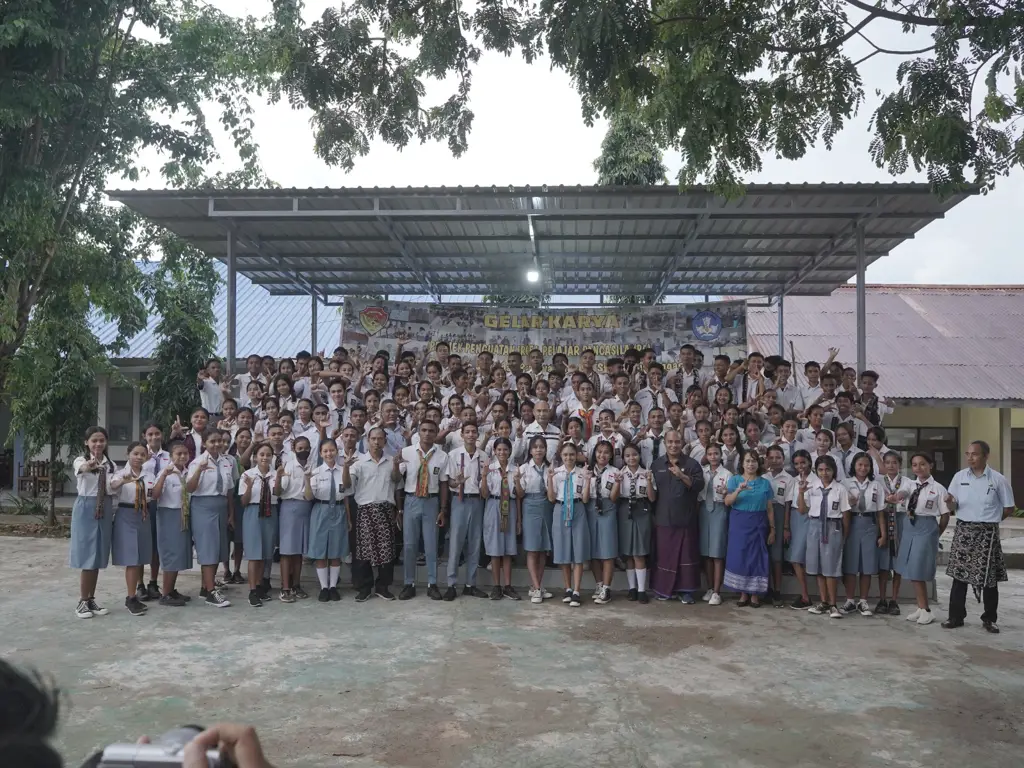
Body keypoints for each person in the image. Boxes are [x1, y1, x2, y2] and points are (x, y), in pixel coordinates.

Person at [942, 440, 1015, 633]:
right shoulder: (959, 477)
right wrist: (949, 502)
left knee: (988, 578)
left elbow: (1009, 507)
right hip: (964, 530)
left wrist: (991, 521)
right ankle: (955, 617)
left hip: (987, 533)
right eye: (968, 454)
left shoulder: (998, 479)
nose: (970, 458)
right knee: (959, 576)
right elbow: (952, 507)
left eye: (974, 454)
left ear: (985, 456)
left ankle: (989, 619)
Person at [345, 427, 401, 602]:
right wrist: (345, 468)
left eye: (380, 439)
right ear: (367, 440)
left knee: (386, 552)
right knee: (363, 553)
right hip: (365, 510)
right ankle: (365, 587)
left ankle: (383, 587)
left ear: (385, 441)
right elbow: (347, 486)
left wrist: (399, 511)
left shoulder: (392, 461)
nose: (376, 442)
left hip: (385, 510)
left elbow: (397, 484)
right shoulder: (358, 462)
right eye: (373, 439)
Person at [649, 430, 705, 603]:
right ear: (665, 443)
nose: (674, 445)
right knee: (665, 556)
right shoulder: (657, 464)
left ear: (682, 443)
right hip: (663, 518)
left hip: (686, 519)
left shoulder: (692, 464)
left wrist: (681, 475)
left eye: (677, 442)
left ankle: (685, 591)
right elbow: (653, 495)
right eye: (670, 442)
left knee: (685, 556)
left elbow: (698, 486)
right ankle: (665, 590)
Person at [397, 421, 449, 600]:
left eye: (431, 431)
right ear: (418, 433)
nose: (427, 434)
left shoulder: (442, 456)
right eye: (424, 430)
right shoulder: (407, 452)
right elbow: (397, 479)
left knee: (431, 545)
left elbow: (443, 484)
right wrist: (396, 465)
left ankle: (432, 583)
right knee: (410, 545)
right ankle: (408, 583)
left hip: (431, 501)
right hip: (411, 499)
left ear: (436, 434)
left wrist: (443, 509)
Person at [897, 453, 951, 626]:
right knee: (910, 568)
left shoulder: (939, 488)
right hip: (910, 524)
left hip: (927, 526)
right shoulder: (909, 484)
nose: (918, 468)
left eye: (922, 464)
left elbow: (945, 514)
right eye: (914, 465)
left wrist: (936, 532)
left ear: (931, 465)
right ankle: (920, 607)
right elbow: (902, 494)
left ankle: (927, 610)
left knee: (919, 568)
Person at [185, 430, 237, 608]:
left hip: (221, 506)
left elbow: (229, 490)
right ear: (205, 443)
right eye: (212, 441)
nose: (217, 444)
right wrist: (199, 470)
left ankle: (205, 586)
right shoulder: (197, 462)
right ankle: (210, 590)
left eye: (219, 441)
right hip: (203, 506)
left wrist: (231, 513)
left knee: (218, 548)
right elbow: (190, 488)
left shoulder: (227, 462)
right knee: (208, 548)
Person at [70, 427, 116, 619]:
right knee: (87, 554)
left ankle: (90, 599)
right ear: (86, 442)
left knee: (98, 555)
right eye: (94, 440)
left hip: (104, 507)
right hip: (86, 507)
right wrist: (89, 465)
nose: (98, 444)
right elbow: (82, 469)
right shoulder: (81, 460)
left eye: (102, 440)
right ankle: (82, 601)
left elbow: (112, 488)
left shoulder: (110, 464)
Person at [800, 455, 852, 619]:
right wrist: (801, 493)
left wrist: (844, 535)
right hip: (814, 526)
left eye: (828, 470)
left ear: (833, 471)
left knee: (831, 568)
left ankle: (833, 604)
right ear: (816, 471)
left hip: (832, 527)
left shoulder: (840, 489)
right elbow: (802, 510)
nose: (824, 473)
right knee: (818, 567)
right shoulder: (811, 487)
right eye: (821, 470)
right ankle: (823, 601)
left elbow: (845, 514)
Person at [109, 441, 156, 616]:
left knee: (141, 557)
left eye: (142, 455)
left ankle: (135, 595)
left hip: (143, 515)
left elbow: (153, 494)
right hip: (127, 514)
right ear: (128, 454)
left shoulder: (149, 475)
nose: (138, 457)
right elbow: (112, 487)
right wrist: (124, 480)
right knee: (131, 558)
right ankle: (131, 597)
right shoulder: (120, 473)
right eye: (135, 453)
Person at [722, 450, 774, 607]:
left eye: (754, 461)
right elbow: (727, 502)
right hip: (739, 523)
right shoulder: (734, 480)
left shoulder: (765, 483)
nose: (751, 464)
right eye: (748, 461)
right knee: (740, 557)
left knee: (757, 557)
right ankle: (743, 594)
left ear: (758, 463)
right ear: (742, 464)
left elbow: (769, 508)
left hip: (758, 523)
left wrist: (773, 528)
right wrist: (738, 490)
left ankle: (755, 595)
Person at [445, 423, 489, 600]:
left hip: (477, 501)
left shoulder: (484, 456)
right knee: (456, 543)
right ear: (462, 435)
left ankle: (470, 584)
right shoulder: (454, 454)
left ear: (477, 435)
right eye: (467, 432)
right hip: (459, 500)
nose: (471, 435)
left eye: (474, 432)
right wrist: (457, 482)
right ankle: (451, 584)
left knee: (475, 543)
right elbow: (450, 483)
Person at [839, 452, 886, 616]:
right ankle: (850, 600)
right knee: (851, 565)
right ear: (854, 466)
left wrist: (883, 534)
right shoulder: (845, 483)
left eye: (866, 465)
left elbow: (880, 511)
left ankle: (863, 601)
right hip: (851, 523)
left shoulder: (876, 485)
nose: (863, 468)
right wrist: (848, 502)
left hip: (869, 525)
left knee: (867, 566)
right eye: (860, 465)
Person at [547, 442, 591, 607]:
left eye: (572, 454)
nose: (569, 458)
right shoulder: (555, 473)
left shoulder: (582, 473)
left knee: (577, 550)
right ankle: (567, 588)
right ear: (561, 456)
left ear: (576, 455)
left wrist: (587, 481)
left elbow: (586, 499)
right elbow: (551, 498)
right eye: (565, 455)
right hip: (560, 509)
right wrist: (550, 480)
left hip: (578, 508)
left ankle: (577, 590)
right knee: (563, 549)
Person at [149, 440, 193, 606]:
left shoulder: (187, 472)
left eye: (185, 453)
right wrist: (164, 476)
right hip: (169, 514)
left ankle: (171, 589)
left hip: (183, 514)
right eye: (178, 454)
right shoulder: (164, 472)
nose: (182, 456)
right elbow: (155, 495)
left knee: (179, 552)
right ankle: (165, 594)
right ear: (171, 456)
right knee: (170, 553)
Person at [481, 437, 522, 600]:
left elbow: (519, 495)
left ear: (510, 451)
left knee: (508, 549)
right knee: (495, 549)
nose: (502, 452)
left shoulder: (515, 470)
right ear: (494, 451)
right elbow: (484, 494)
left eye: (505, 449)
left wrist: (519, 519)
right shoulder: (490, 469)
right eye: (499, 450)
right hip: (494, 506)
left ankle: (508, 585)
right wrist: (484, 477)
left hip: (510, 507)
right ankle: (496, 586)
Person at [240, 444, 280, 608]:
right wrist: (249, 486)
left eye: (268, 454)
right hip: (253, 512)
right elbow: (243, 501)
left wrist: (280, 479)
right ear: (255, 457)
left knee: (265, 553)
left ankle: (260, 585)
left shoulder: (276, 475)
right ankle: (252, 590)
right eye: (261, 454)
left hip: (270, 513)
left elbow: (278, 494)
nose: (265, 457)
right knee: (253, 554)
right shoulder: (247, 474)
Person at [277, 436, 315, 601]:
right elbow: (280, 490)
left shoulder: (312, 466)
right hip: (290, 508)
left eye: (306, 448)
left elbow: (311, 493)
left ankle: (296, 585)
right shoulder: (289, 466)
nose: (304, 451)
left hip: (305, 508)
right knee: (287, 551)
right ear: (294, 449)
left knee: (299, 551)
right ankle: (285, 587)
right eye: (300, 448)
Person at [617, 443, 656, 603]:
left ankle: (641, 590)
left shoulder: (646, 474)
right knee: (628, 554)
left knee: (639, 552)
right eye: (627, 455)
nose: (631, 458)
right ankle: (632, 588)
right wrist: (618, 482)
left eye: (634, 454)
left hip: (642, 509)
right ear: (623, 458)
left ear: (639, 455)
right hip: (625, 510)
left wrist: (648, 482)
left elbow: (652, 498)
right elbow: (615, 496)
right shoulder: (620, 474)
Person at [520, 435, 554, 603]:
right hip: (530, 505)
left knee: (543, 549)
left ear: (546, 449)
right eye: (535, 447)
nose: (538, 450)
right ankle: (536, 587)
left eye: (541, 447)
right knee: (532, 548)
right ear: (530, 450)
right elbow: (519, 493)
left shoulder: (551, 468)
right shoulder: (524, 468)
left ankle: (536, 586)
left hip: (546, 505)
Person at [877, 451, 911, 615]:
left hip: (900, 521)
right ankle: (882, 599)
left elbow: (904, 494)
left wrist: (897, 496)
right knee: (884, 565)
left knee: (898, 564)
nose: (891, 466)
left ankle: (894, 600)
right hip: (882, 521)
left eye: (894, 463)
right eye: (888, 462)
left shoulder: (907, 481)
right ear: (883, 464)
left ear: (899, 465)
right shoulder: (877, 480)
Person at [587, 441, 620, 605]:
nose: (602, 455)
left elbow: (614, 498)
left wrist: (618, 483)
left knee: (607, 550)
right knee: (593, 550)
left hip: (608, 508)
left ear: (611, 455)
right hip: (591, 509)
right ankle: (599, 584)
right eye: (599, 452)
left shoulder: (615, 472)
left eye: (606, 452)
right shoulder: (587, 471)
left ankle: (607, 588)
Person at [698, 443, 730, 605]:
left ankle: (717, 591)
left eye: (716, 453)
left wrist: (726, 493)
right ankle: (710, 587)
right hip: (704, 510)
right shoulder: (701, 472)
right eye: (710, 454)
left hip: (719, 509)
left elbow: (731, 497)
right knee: (706, 553)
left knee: (717, 552)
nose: (713, 457)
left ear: (720, 455)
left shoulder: (727, 474)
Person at [784, 449, 815, 610]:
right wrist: (786, 526)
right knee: (795, 558)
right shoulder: (793, 480)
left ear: (809, 461)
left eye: (803, 462)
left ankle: (806, 596)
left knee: (798, 557)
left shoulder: (816, 480)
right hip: (795, 518)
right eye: (796, 464)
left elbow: (806, 508)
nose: (800, 466)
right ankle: (805, 595)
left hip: (809, 518)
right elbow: (789, 503)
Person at [764, 445, 794, 606]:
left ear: (784, 459)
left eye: (778, 457)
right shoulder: (763, 476)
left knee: (777, 557)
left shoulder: (788, 479)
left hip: (780, 514)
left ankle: (777, 590)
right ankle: (765, 589)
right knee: (764, 555)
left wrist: (786, 527)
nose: (774, 461)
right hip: (762, 514)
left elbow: (788, 504)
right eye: (771, 457)